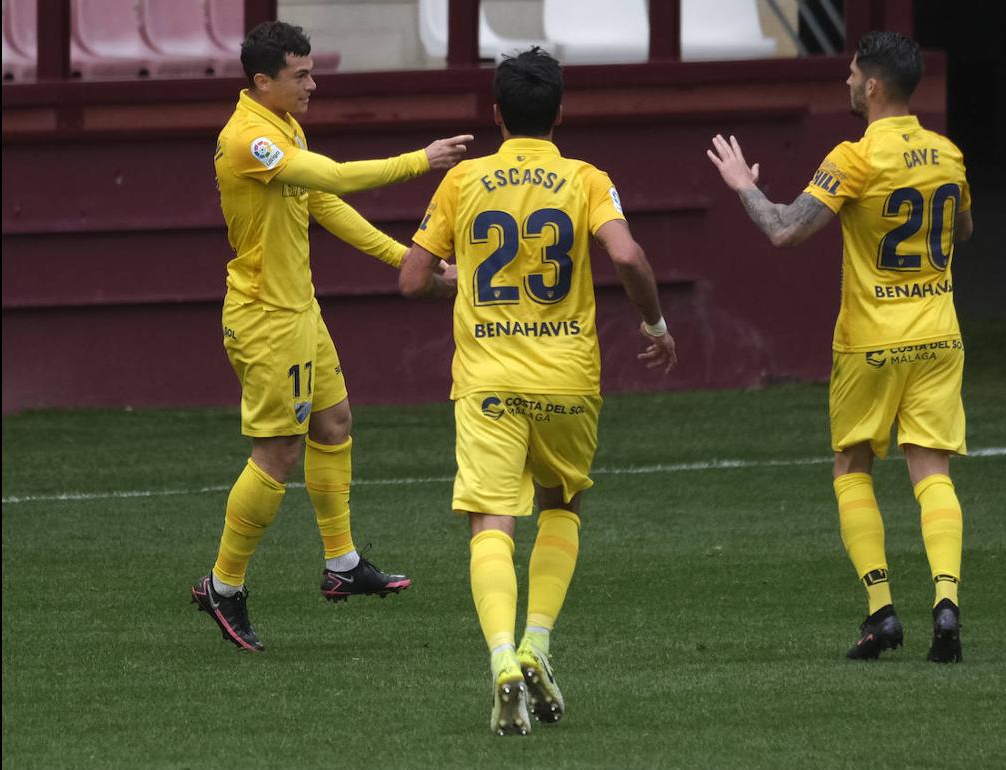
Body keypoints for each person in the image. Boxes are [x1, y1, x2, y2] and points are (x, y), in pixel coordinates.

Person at [399, 47, 677, 735]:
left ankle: (500, 661)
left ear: (495, 113)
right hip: (567, 377)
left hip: (488, 378)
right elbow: (629, 256)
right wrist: (656, 323)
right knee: (562, 503)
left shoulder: (463, 180)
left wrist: (450, 279)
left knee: (490, 521)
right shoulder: (585, 178)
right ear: (560, 111)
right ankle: (538, 645)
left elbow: (410, 278)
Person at [191, 21, 473, 652]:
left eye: (312, 72)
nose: (313, 84)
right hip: (267, 318)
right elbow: (338, 179)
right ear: (263, 82)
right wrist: (418, 161)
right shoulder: (248, 140)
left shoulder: (283, 124)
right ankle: (224, 584)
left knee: (335, 423)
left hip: (300, 311)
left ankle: (342, 565)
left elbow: (324, 204)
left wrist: (408, 259)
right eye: (301, 76)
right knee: (278, 454)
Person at [706, 30, 973, 663]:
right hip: (939, 334)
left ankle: (882, 612)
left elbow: (785, 230)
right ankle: (946, 602)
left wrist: (744, 184)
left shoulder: (854, 157)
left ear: (874, 85)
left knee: (852, 465)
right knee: (931, 470)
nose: (846, 82)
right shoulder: (948, 153)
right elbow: (961, 230)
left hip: (871, 341)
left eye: (852, 74)